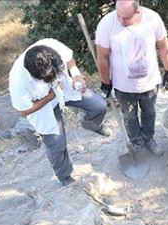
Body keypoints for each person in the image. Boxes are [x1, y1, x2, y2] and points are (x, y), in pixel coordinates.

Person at [8, 38, 110, 186]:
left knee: (98, 106)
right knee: (56, 144)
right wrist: (51, 97)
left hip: (65, 88)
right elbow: (24, 111)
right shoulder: (19, 82)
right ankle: (65, 176)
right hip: (42, 106)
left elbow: (69, 59)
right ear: (36, 75)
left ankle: (92, 125)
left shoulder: (51, 45)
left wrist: (76, 75)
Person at [96, 0, 168, 156]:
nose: (121, 21)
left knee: (149, 112)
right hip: (123, 86)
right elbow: (102, 56)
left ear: (138, 11)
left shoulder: (152, 18)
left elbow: (164, 46)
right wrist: (106, 82)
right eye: (118, 15)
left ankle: (148, 138)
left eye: (126, 18)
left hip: (149, 82)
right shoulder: (106, 24)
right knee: (129, 116)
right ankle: (136, 142)